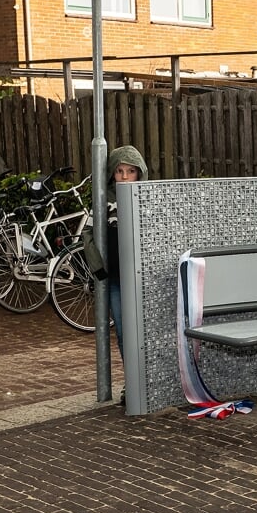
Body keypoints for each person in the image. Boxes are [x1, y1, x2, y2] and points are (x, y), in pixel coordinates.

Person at [83, 144, 148, 361]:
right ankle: (130, 383)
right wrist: (98, 266)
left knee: (144, 331)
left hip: (141, 279)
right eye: (120, 171)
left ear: (139, 172)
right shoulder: (103, 200)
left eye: (131, 171)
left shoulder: (147, 198)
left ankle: (146, 383)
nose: (125, 177)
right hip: (115, 280)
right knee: (122, 330)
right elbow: (88, 233)